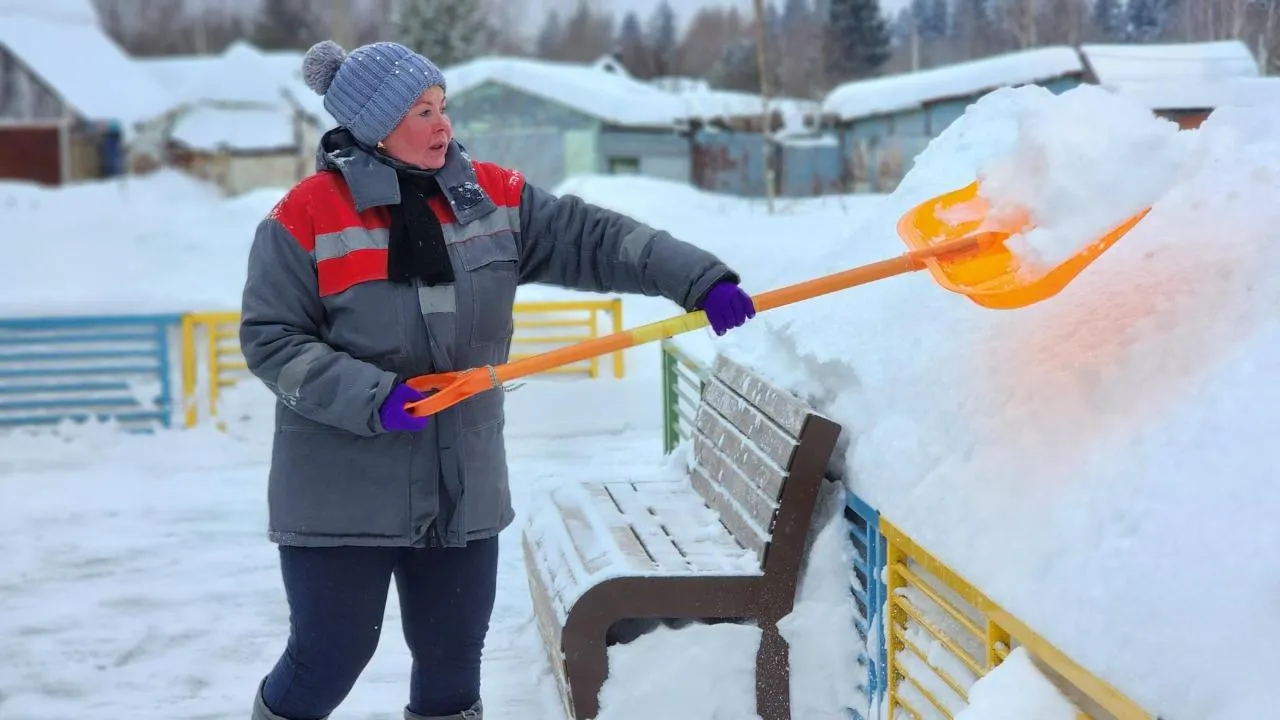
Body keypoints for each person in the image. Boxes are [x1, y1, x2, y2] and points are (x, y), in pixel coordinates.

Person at [238, 38, 756, 720]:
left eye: (442, 107)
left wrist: (695, 278)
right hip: (342, 494)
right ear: (373, 125)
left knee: (452, 670)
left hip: (461, 489)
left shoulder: (489, 199)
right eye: (422, 111)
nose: (443, 125)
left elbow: (592, 238)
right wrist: (377, 398)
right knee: (329, 660)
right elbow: (271, 340)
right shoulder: (304, 216)